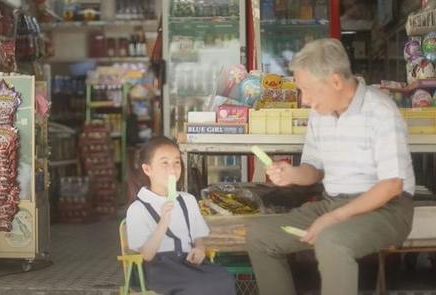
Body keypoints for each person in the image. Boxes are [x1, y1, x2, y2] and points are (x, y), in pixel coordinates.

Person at [246, 38, 415, 295]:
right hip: (333, 203)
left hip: (387, 210)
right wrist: (291, 174)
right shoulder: (320, 114)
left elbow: (392, 184)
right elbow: (314, 169)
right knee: (260, 235)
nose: (304, 100)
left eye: (308, 90)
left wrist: (333, 218)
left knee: (331, 241)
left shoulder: (381, 111)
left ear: (335, 81)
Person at [126, 136, 236, 295]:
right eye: (164, 162)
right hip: (158, 269)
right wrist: (163, 222)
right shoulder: (138, 208)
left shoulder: (188, 200)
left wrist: (199, 249)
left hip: (188, 263)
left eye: (177, 162)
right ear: (147, 169)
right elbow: (147, 255)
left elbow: (198, 238)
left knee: (223, 278)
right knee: (196, 286)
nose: (172, 168)